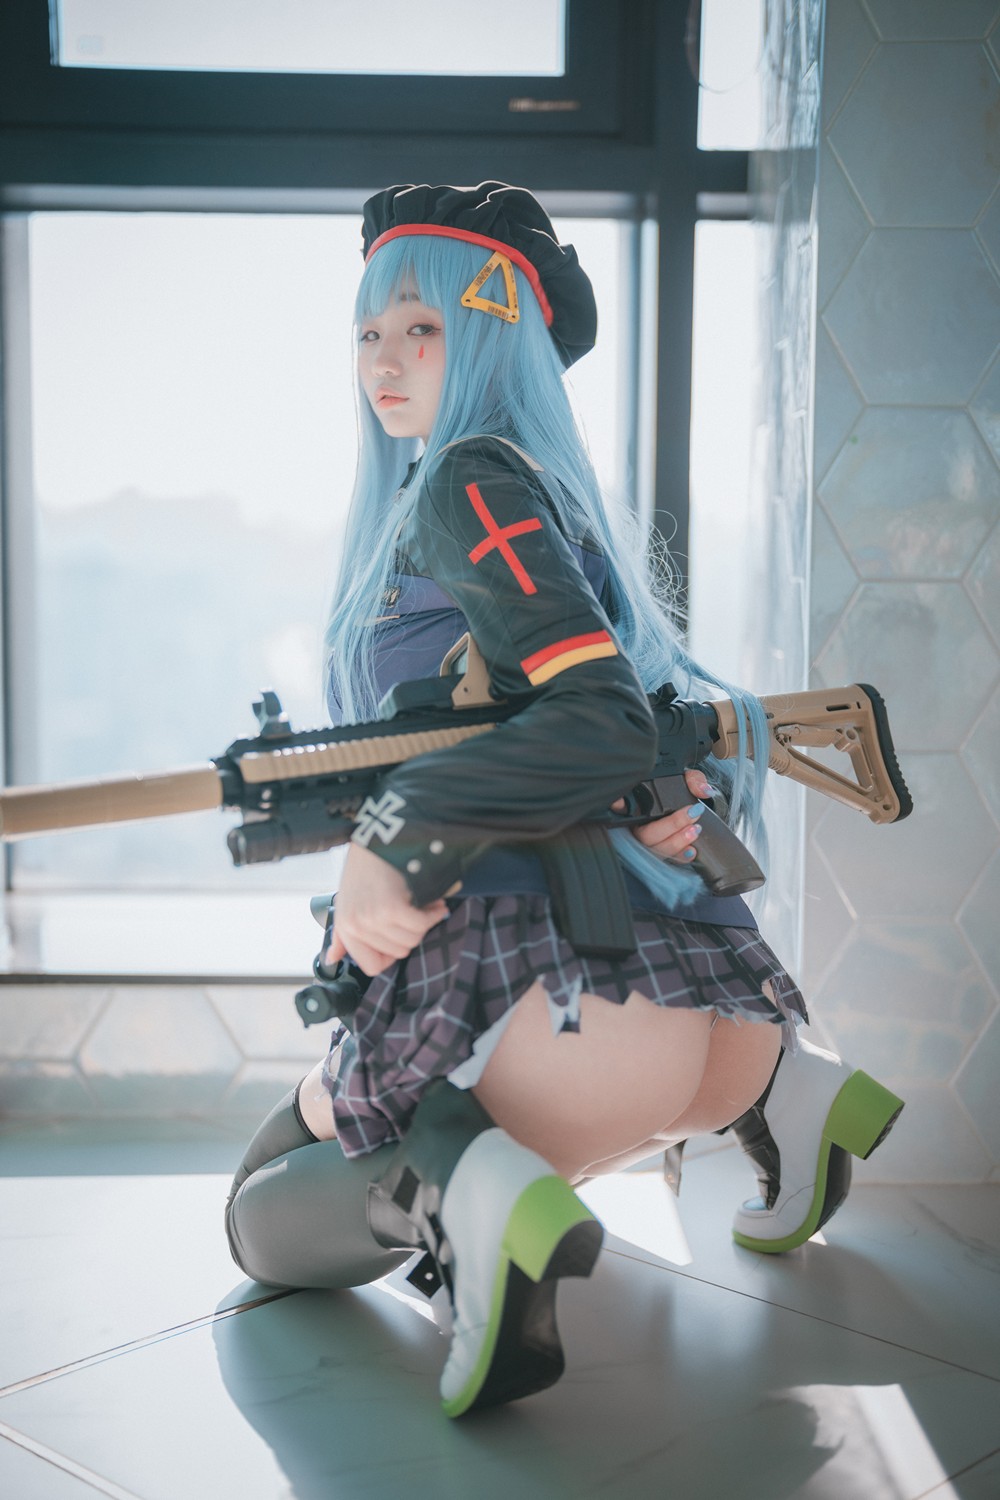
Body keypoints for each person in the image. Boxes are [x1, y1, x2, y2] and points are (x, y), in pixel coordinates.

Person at [225, 183, 903, 1418]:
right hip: (710, 1022)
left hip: (558, 1020)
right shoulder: (546, 491)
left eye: (422, 328)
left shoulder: (462, 483)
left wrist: (396, 835)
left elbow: (596, 718)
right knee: (316, 1129)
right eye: (369, 331)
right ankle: (791, 1089)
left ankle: (470, 1197)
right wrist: (652, 795)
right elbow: (628, 724)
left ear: (493, 338)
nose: (384, 362)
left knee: (261, 1214)